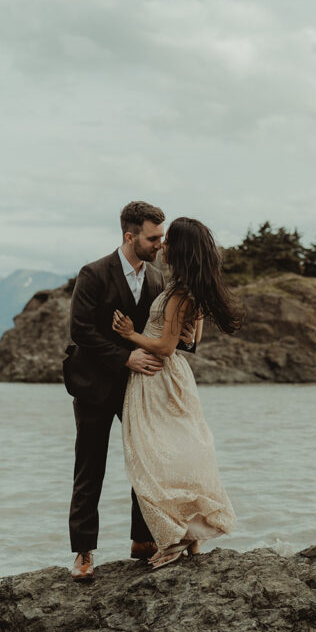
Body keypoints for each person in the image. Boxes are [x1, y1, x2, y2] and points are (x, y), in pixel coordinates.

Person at [63, 201, 196, 581]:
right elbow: (81, 331)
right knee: (90, 468)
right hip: (92, 385)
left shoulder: (157, 281)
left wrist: (186, 339)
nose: (159, 244)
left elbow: (161, 333)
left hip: (139, 389)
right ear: (129, 236)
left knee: (147, 462)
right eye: (153, 237)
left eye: (161, 237)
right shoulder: (93, 273)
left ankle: (142, 540)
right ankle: (84, 553)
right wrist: (126, 358)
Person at [112, 216, 240, 570]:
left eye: (168, 241)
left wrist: (129, 335)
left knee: (151, 457)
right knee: (177, 451)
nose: (163, 246)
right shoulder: (186, 290)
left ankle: (174, 539)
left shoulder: (181, 293)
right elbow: (192, 341)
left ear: (179, 249)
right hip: (171, 378)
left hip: (157, 376)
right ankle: (191, 535)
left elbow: (167, 347)